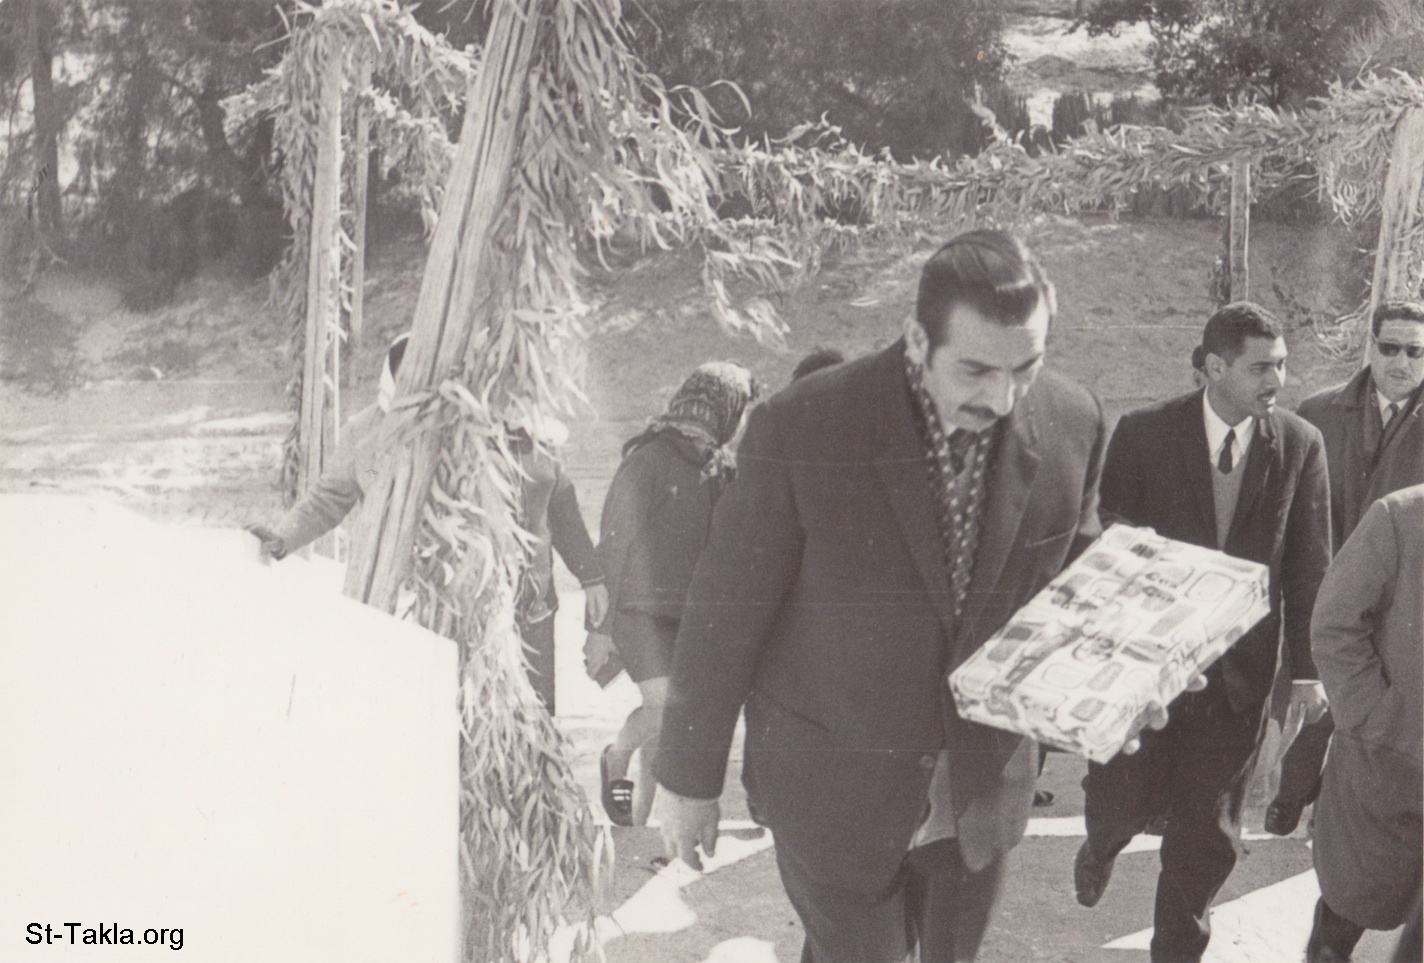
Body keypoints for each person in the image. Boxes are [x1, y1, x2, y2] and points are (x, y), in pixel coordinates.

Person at [654, 229, 1109, 962]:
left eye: (1025, 368)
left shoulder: (1074, 421)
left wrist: (1122, 678)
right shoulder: (803, 426)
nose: (1001, 398)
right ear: (917, 340)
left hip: (979, 796)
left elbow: (1071, 598)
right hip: (832, 792)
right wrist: (688, 779)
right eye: (975, 370)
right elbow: (725, 611)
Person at [1074, 302, 1332, 963]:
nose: (1278, 379)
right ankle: (1102, 841)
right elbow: (1110, 537)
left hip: (1239, 676)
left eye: (1282, 364)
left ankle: (1178, 948)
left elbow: (1308, 565)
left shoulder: (1300, 444)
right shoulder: (1143, 432)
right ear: (1214, 367)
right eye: (1261, 367)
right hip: (1149, 670)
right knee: (1120, 795)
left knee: (1207, 834)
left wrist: (1307, 671)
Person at [249, 332, 608, 714]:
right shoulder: (369, 436)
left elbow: (557, 505)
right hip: (408, 605)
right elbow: (334, 496)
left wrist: (591, 576)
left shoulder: (490, 427)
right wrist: (284, 537)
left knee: (522, 718)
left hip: (513, 608)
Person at [1266, 299, 1424, 836]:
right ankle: (1291, 793)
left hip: (1403, 592)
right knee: (1315, 688)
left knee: (1375, 703)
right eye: (1390, 348)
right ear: (1371, 346)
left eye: (1415, 351)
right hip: (1328, 580)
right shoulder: (1320, 411)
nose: (1401, 362)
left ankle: (1330, 810)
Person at [586, 361, 760, 827]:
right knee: (667, 708)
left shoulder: (721, 468)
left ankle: (640, 825)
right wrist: (599, 629)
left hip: (690, 615)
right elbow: (614, 545)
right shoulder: (648, 460)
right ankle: (616, 755)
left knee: (669, 727)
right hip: (637, 611)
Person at [1305, 484, 1423, 963]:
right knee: (1348, 905)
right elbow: (1335, 625)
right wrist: (1374, 717)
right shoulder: (1400, 516)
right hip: (1388, 763)